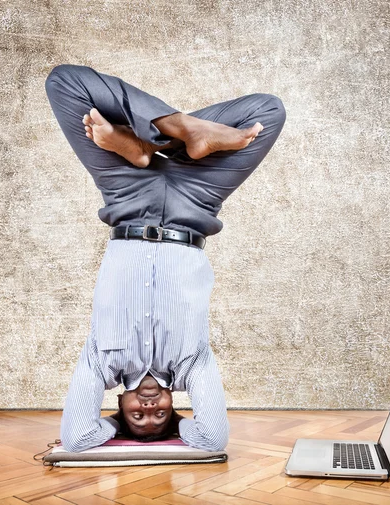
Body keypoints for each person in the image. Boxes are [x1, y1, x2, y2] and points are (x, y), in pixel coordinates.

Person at [44, 64, 286, 452]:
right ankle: (171, 135)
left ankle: (148, 143)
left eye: (136, 415)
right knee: (268, 111)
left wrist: (113, 428)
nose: (149, 407)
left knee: (65, 82)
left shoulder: (102, 362)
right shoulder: (193, 365)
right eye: (160, 415)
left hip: (127, 195)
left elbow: (77, 438)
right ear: (175, 408)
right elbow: (210, 438)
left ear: (120, 406)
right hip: (195, 200)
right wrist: (173, 431)